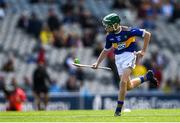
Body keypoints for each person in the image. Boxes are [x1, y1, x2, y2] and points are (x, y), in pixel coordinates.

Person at [92, 13, 158, 116]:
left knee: (122, 82)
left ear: (115, 25)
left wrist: (143, 51)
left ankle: (118, 110)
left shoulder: (128, 31)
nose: (106, 28)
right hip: (118, 59)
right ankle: (146, 77)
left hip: (130, 56)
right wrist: (97, 62)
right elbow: (105, 50)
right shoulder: (109, 36)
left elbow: (147, 34)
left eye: (108, 25)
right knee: (128, 86)